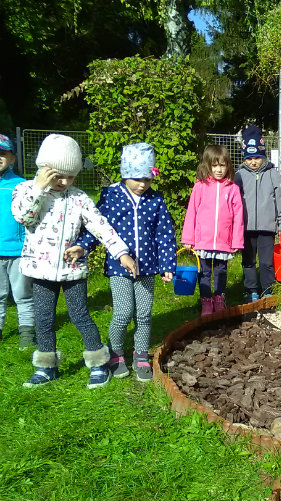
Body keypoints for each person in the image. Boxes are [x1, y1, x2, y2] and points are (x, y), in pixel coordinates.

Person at [11, 133, 137, 388]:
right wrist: (39, 188)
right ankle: (46, 367)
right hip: (41, 271)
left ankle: (99, 364)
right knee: (44, 320)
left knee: (80, 315)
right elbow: (24, 217)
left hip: (72, 270)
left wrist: (121, 253)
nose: (64, 182)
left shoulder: (79, 198)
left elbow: (101, 227)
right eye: (58, 175)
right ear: (43, 169)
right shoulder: (25, 190)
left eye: (70, 176)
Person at [76, 143, 176, 381]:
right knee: (123, 312)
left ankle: (140, 354)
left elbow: (164, 234)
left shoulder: (155, 200)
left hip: (147, 267)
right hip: (118, 267)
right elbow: (97, 228)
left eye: (147, 179)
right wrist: (83, 246)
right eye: (137, 179)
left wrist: (167, 265)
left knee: (144, 314)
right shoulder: (111, 197)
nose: (142, 184)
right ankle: (116, 352)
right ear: (125, 174)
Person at [181, 144, 244, 316]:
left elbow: (238, 217)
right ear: (207, 165)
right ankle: (206, 302)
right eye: (214, 165)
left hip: (224, 240)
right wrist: (188, 238)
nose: (219, 170)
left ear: (228, 166)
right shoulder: (200, 186)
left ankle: (219, 299)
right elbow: (192, 212)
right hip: (203, 240)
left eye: (222, 165)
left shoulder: (232, 188)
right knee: (205, 272)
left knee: (221, 271)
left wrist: (236, 240)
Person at [234, 125, 281, 302]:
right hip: (246, 228)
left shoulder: (273, 174)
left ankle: (268, 289)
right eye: (249, 158)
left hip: (267, 228)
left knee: (266, 262)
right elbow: (234, 202)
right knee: (248, 261)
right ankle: (251, 290)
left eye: (257, 157)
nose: (253, 162)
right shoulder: (239, 175)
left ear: (263, 155)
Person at [0, 133, 34, 348]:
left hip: (18, 251)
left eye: (2, 153)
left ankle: (27, 333)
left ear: (12, 158)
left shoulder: (21, 185)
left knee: (22, 294)